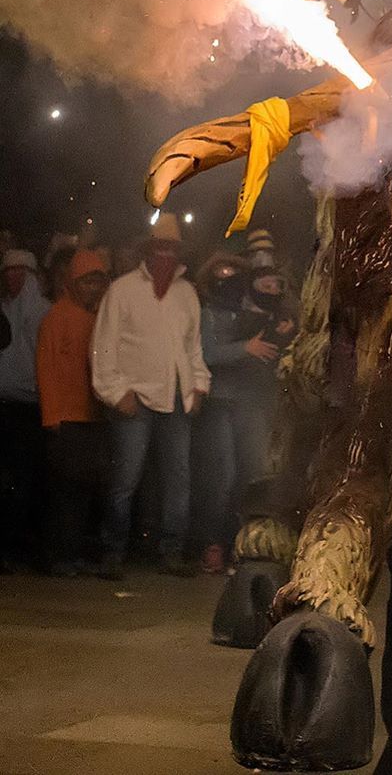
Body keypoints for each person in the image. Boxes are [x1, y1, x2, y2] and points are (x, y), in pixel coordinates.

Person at [92, 214, 210, 577]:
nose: (166, 254)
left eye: (172, 248)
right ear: (148, 249)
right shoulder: (123, 290)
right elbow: (103, 347)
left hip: (176, 396)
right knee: (125, 480)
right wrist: (116, 393)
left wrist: (198, 386)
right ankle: (112, 554)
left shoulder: (186, 293)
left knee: (178, 479)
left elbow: (193, 349)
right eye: (160, 247)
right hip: (135, 396)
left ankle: (170, 552)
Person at [194, 239, 292, 573]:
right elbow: (207, 354)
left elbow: (268, 348)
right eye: (224, 272)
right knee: (222, 477)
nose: (230, 278)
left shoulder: (253, 312)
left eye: (237, 272)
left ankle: (240, 545)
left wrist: (277, 333)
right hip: (220, 402)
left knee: (251, 475)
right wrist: (244, 348)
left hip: (250, 404)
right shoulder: (209, 313)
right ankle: (212, 544)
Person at [35, 249, 111, 575]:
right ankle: (59, 557)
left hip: (90, 418)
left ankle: (71, 553)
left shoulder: (97, 320)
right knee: (65, 492)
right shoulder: (57, 317)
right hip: (65, 419)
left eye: (98, 281)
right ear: (74, 283)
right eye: (87, 281)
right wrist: (51, 416)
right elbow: (46, 367)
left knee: (82, 492)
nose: (93, 288)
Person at [0, 248, 50, 570]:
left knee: (23, 481)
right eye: (8, 271)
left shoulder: (44, 313)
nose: (13, 277)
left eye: (21, 272)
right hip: (3, 405)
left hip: (29, 409)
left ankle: (16, 548)